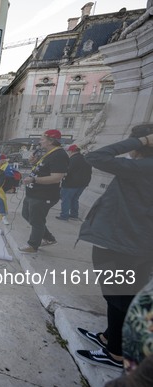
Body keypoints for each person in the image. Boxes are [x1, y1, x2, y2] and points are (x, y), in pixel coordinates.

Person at [75, 126, 153, 370]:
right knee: (122, 294)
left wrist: (139, 140)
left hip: (123, 244)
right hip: (134, 243)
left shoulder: (143, 168)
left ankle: (115, 354)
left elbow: (95, 157)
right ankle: (109, 337)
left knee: (117, 297)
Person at [18, 129, 69, 253]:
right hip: (33, 193)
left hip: (43, 195)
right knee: (27, 215)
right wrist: (35, 163)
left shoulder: (59, 155)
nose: (40, 141)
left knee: (37, 220)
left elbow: (57, 177)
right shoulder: (48, 153)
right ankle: (48, 238)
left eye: (42, 139)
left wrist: (34, 180)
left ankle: (33, 245)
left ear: (51, 141)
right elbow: (44, 169)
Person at [56, 145, 92, 221]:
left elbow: (66, 171)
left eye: (68, 151)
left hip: (71, 183)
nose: (67, 153)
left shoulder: (72, 159)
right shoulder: (85, 158)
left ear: (71, 151)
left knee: (66, 199)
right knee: (75, 199)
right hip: (83, 184)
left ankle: (64, 215)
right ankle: (74, 215)